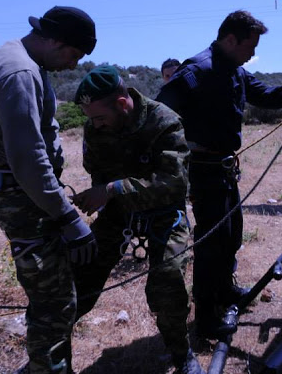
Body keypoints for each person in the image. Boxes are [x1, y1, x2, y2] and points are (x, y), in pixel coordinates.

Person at [156, 10, 282, 339]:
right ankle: (205, 319)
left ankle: (224, 292)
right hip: (203, 170)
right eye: (249, 46)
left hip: (223, 168)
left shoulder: (235, 71)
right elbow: (161, 113)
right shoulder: (198, 70)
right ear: (230, 39)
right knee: (211, 244)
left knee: (231, 236)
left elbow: (269, 96)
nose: (252, 53)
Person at [0, 6, 98, 374]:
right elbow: (27, 158)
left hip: (21, 195)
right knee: (54, 303)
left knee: (49, 295)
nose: (72, 65)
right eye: (72, 55)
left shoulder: (10, 57)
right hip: (25, 200)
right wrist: (67, 216)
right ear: (54, 40)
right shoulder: (20, 72)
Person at [71, 65, 205, 374]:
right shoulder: (96, 128)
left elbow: (172, 185)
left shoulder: (164, 122)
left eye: (99, 118)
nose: (95, 126)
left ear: (121, 104)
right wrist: (97, 197)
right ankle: (49, 358)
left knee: (168, 278)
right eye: (91, 120)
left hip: (163, 210)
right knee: (81, 272)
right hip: (118, 212)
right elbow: (98, 171)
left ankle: (181, 354)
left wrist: (111, 189)